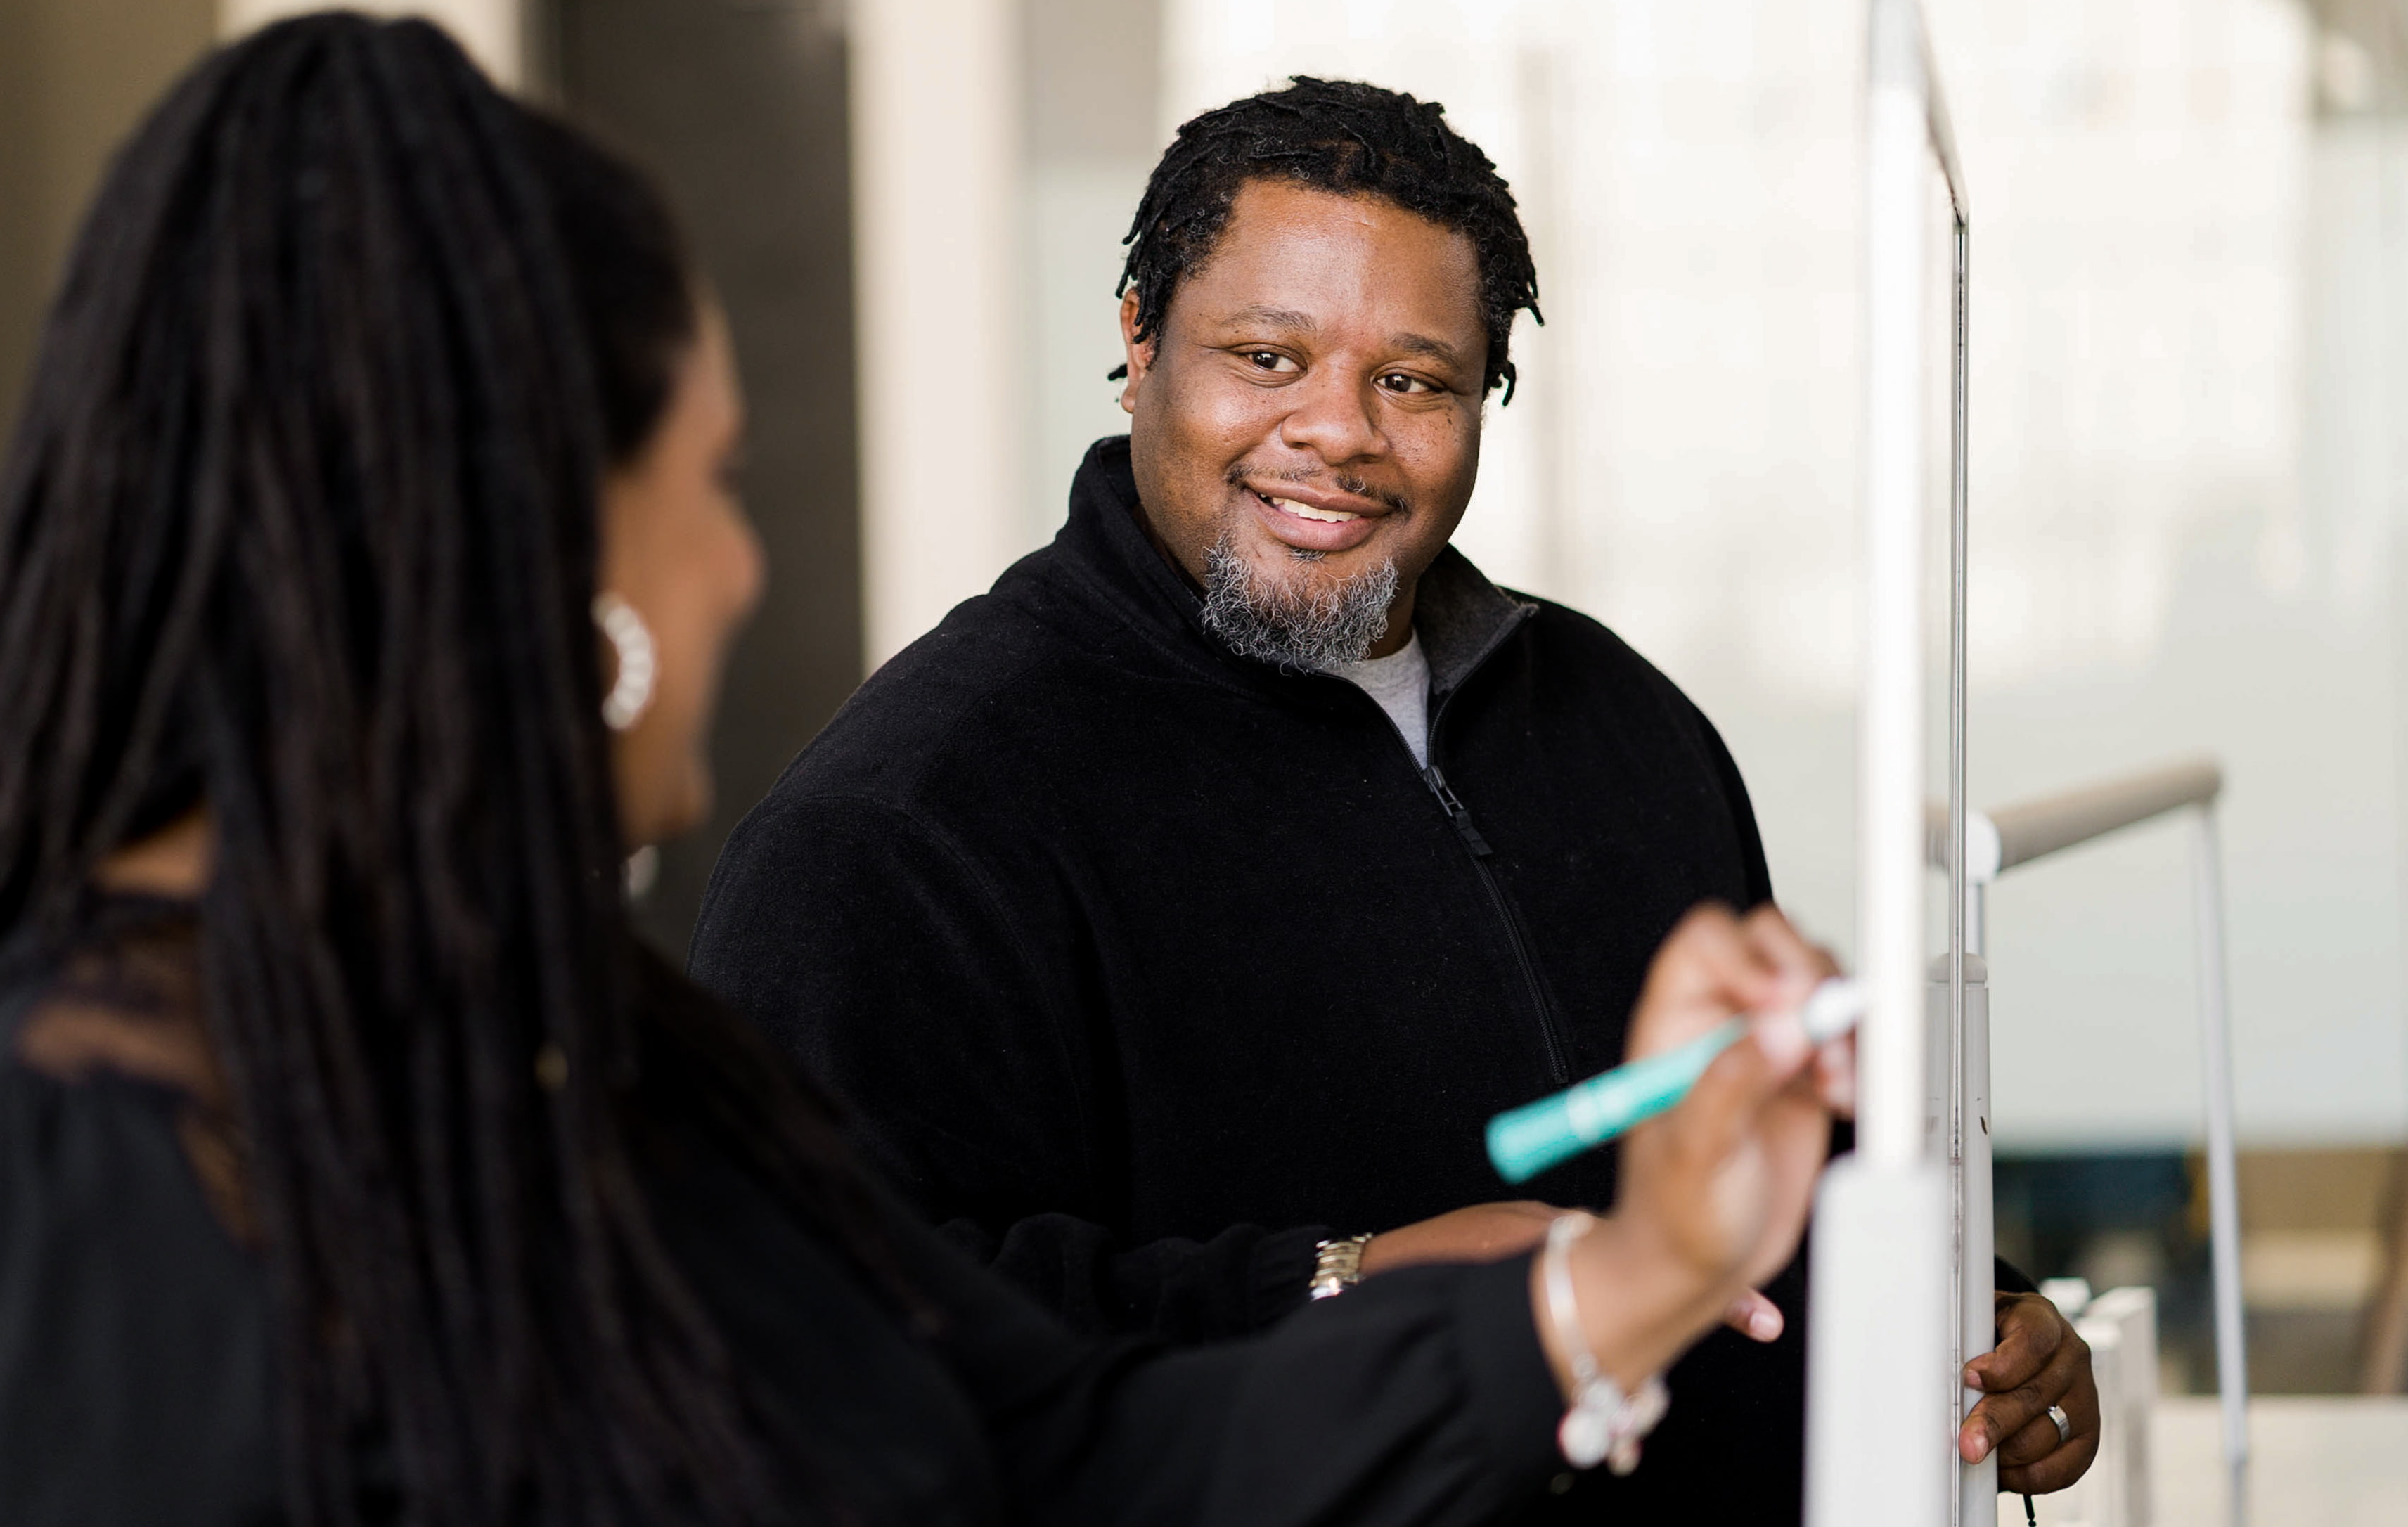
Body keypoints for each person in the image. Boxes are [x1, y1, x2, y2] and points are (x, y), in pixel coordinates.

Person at [0, 15, 1853, 1527]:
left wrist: (1630, 1276)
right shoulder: (27, 1186)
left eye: (1414, 377)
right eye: (708, 479)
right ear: (519, 545)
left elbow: (1076, 1461)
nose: (744, 560)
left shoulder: (600, 1069)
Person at [690, 77, 2099, 1517]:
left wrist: (1969, 1301)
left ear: (1484, 399)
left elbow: (1755, 1115)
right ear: (1138, 342)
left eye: (1413, 380)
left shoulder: (1613, 715)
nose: (1338, 432)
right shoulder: (906, 822)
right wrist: (1344, 1279)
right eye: (1266, 355)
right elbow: (836, 1347)